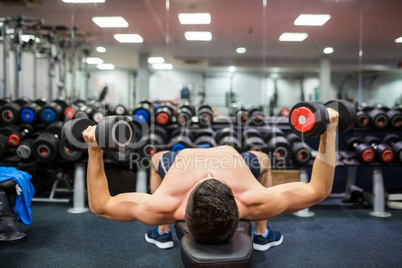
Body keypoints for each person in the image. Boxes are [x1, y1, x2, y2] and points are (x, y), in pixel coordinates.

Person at [83, 108, 338, 251]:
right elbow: (319, 189)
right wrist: (330, 130)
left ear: (185, 211)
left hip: (179, 164)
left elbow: (101, 205)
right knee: (263, 160)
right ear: (237, 207)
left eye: (202, 183)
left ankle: (161, 232)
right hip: (231, 162)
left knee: (154, 159)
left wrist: (94, 148)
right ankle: (262, 233)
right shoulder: (254, 201)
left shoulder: (165, 207)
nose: (208, 176)